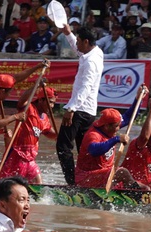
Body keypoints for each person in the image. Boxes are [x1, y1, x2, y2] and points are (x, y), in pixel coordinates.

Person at [75, 86, 150, 190]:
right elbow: (94, 150)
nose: (119, 128)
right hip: (87, 177)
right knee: (122, 172)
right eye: (117, 126)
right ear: (106, 126)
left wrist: (138, 99)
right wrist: (116, 139)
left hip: (105, 175)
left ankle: (134, 193)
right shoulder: (93, 135)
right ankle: (133, 193)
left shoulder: (110, 126)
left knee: (145, 188)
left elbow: (129, 117)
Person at [56, 25, 104, 185]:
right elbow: (78, 51)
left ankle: (72, 183)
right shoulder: (95, 52)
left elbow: (86, 86)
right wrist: (68, 33)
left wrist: (71, 108)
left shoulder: (91, 61)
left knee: (63, 147)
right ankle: (88, 180)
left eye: (78, 41)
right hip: (88, 111)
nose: (76, 44)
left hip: (79, 110)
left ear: (86, 41)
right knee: (84, 151)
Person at [0, 84, 57, 183]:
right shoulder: (28, 108)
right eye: (50, 102)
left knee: (38, 183)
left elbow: (50, 134)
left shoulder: (45, 118)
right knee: (7, 183)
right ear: (40, 100)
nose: (52, 106)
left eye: (53, 103)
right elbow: (22, 100)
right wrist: (36, 86)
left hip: (30, 159)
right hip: (16, 155)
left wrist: (63, 135)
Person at [120, 97, 151, 188]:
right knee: (146, 188)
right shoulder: (138, 146)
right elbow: (145, 137)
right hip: (127, 187)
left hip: (145, 189)